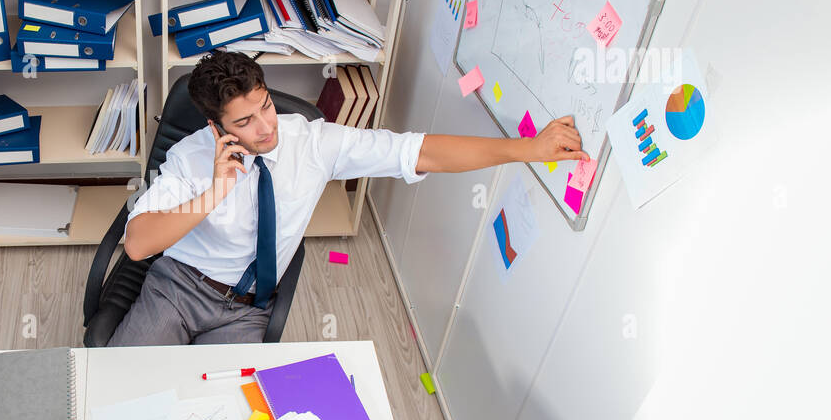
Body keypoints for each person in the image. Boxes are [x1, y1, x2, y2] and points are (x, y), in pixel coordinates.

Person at [108, 52, 588, 346]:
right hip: (179, 287)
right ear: (216, 128)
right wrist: (214, 193)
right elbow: (137, 244)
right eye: (245, 122)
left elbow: (420, 151)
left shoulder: (313, 142)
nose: (267, 126)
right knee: (122, 390)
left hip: (247, 307)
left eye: (266, 107)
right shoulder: (192, 157)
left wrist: (527, 149)